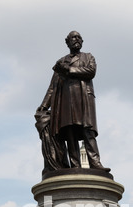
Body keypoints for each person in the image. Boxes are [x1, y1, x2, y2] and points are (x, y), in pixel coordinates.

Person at [37, 31, 110, 172]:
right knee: (69, 132)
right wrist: (44, 105)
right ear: (67, 42)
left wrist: (69, 70)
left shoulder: (88, 57)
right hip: (65, 101)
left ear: (82, 41)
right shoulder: (61, 62)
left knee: (87, 131)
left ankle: (95, 162)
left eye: (78, 37)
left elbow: (90, 71)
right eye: (73, 38)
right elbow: (52, 87)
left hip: (83, 98)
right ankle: (75, 165)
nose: (76, 40)